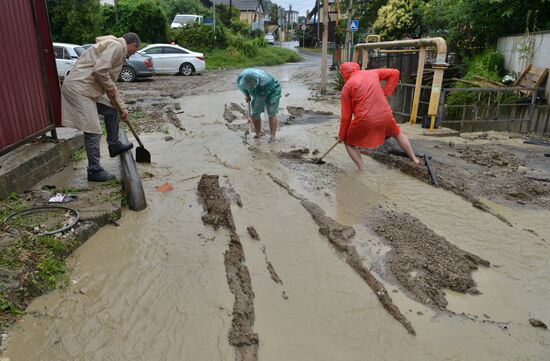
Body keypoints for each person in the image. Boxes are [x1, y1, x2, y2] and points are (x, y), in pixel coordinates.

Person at [61, 33, 141, 182]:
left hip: (89, 88)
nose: (132, 54)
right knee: (93, 130)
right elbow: (100, 70)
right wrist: (110, 88)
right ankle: (94, 170)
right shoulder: (117, 47)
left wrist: (122, 108)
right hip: (79, 89)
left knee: (112, 110)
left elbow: (108, 83)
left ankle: (114, 145)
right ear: (134, 45)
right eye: (134, 51)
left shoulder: (115, 47)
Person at [337, 62, 419, 170]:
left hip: (365, 119)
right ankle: (414, 158)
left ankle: (362, 169)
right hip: (385, 115)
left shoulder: (346, 88)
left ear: (344, 74)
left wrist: (341, 136)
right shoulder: (373, 72)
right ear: (357, 68)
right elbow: (395, 73)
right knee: (397, 134)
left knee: (348, 142)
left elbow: (346, 118)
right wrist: (386, 92)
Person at [236, 68, 282, 142]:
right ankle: (258, 134)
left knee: (271, 111)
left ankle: (272, 137)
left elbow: (258, 106)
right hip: (259, 90)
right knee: (254, 107)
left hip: (273, 89)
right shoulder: (241, 77)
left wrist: (252, 117)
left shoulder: (263, 83)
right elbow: (240, 87)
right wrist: (247, 95)